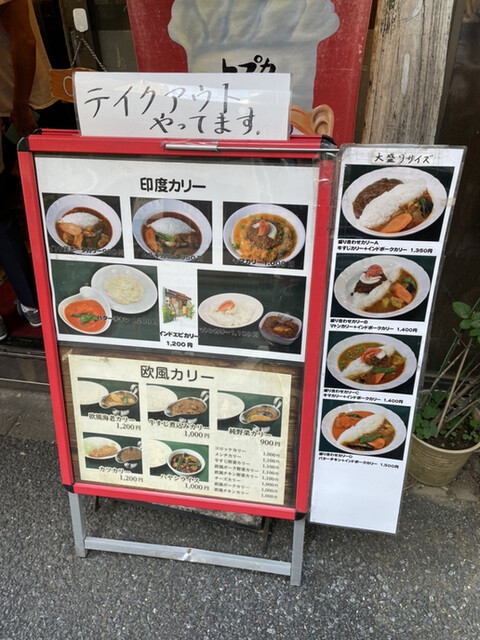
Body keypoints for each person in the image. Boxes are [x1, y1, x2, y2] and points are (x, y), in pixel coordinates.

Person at [0, 0, 68, 340]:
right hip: (19, 104)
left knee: (49, 204)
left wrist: (19, 107)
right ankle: (37, 301)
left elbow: (24, 41)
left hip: (21, 105)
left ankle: (39, 301)